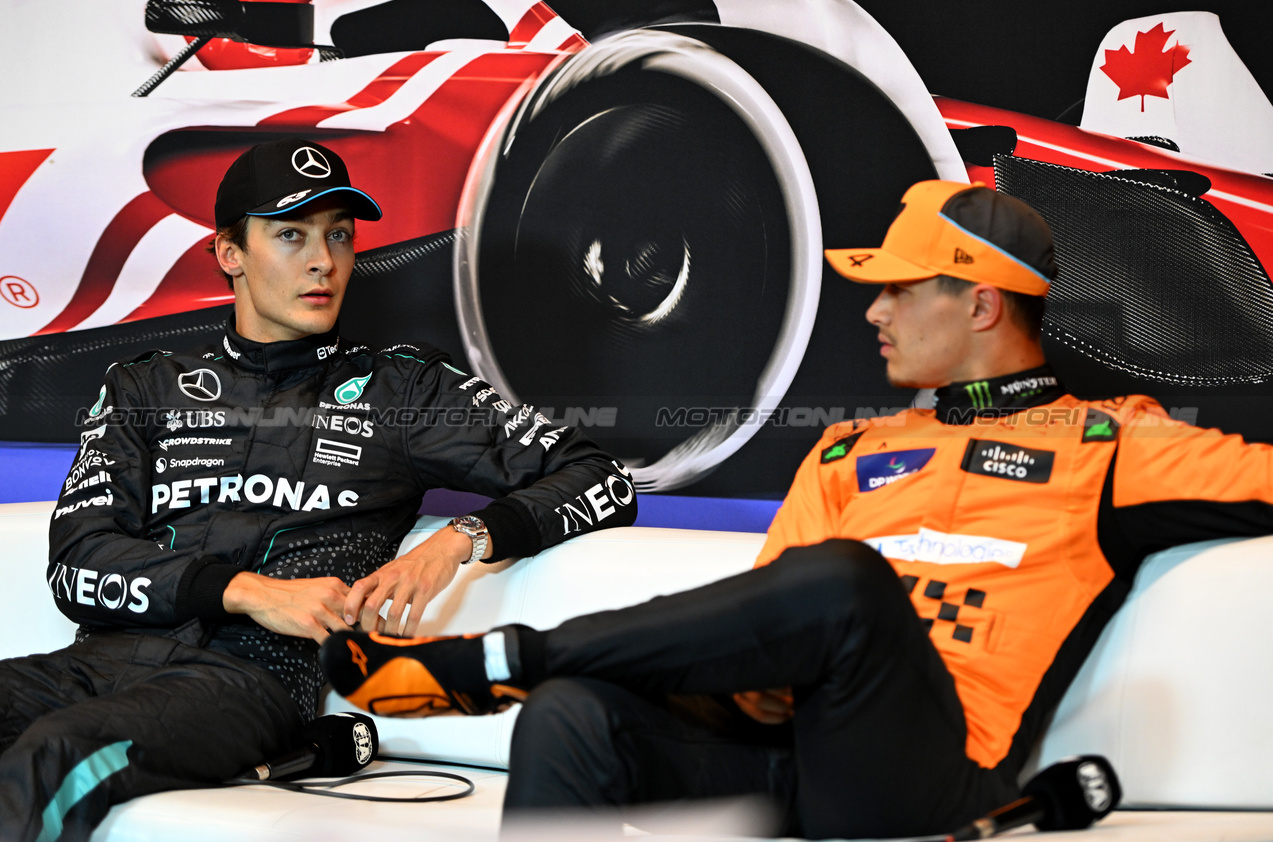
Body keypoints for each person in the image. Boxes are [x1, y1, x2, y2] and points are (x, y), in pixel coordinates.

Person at [321, 179, 1273, 838]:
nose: (872, 311)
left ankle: (499, 661)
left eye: (897, 290)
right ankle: (530, 676)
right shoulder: (851, 450)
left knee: (846, 583)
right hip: (786, 747)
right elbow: (769, 627)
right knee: (571, 717)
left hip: (919, 774)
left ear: (980, 304)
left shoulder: (1114, 444)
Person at [0, 137, 636, 841]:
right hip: (98, 661)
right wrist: (247, 590)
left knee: (59, 750)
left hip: (242, 685)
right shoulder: (145, 385)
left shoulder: (403, 390)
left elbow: (599, 477)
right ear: (230, 253)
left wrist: (463, 540)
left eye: (338, 235)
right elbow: (77, 563)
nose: (322, 261)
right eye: (290, 235)